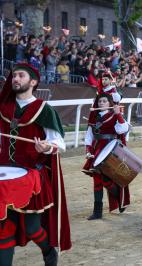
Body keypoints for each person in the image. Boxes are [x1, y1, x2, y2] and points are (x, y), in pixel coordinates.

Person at [0, 63, 71, 265]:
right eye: (14, 76)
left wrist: (47, 148)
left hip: (31, 178)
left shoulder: (44, 109)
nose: (15, 79)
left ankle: (48, 252)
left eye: (20, 76)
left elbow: (59, 143)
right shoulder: (3, 108)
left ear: (33, 82)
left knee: (32, 228)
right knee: (3, 228)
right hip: (4, 178)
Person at [83, 93, 130, 220]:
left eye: (104, 101)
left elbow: (123, 129)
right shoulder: (94, 117)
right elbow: (89, 137)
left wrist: (118, 114)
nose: (102, 103)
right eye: (100, 101)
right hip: (98, 151)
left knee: (108, 180)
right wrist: (88, 150)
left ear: (110, 103)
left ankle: (119, 198)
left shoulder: (114, 116)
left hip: (112, 150)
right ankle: (97, 212)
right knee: (97, 181)